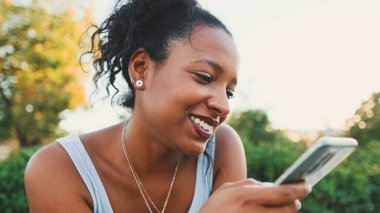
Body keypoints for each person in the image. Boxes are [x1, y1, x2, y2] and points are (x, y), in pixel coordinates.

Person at [24, 0, 311, 212]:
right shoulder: (59, 169)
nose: (223, 106)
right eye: (204, 77)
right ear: (141, 68)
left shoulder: (222, 147)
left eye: (230, 92)